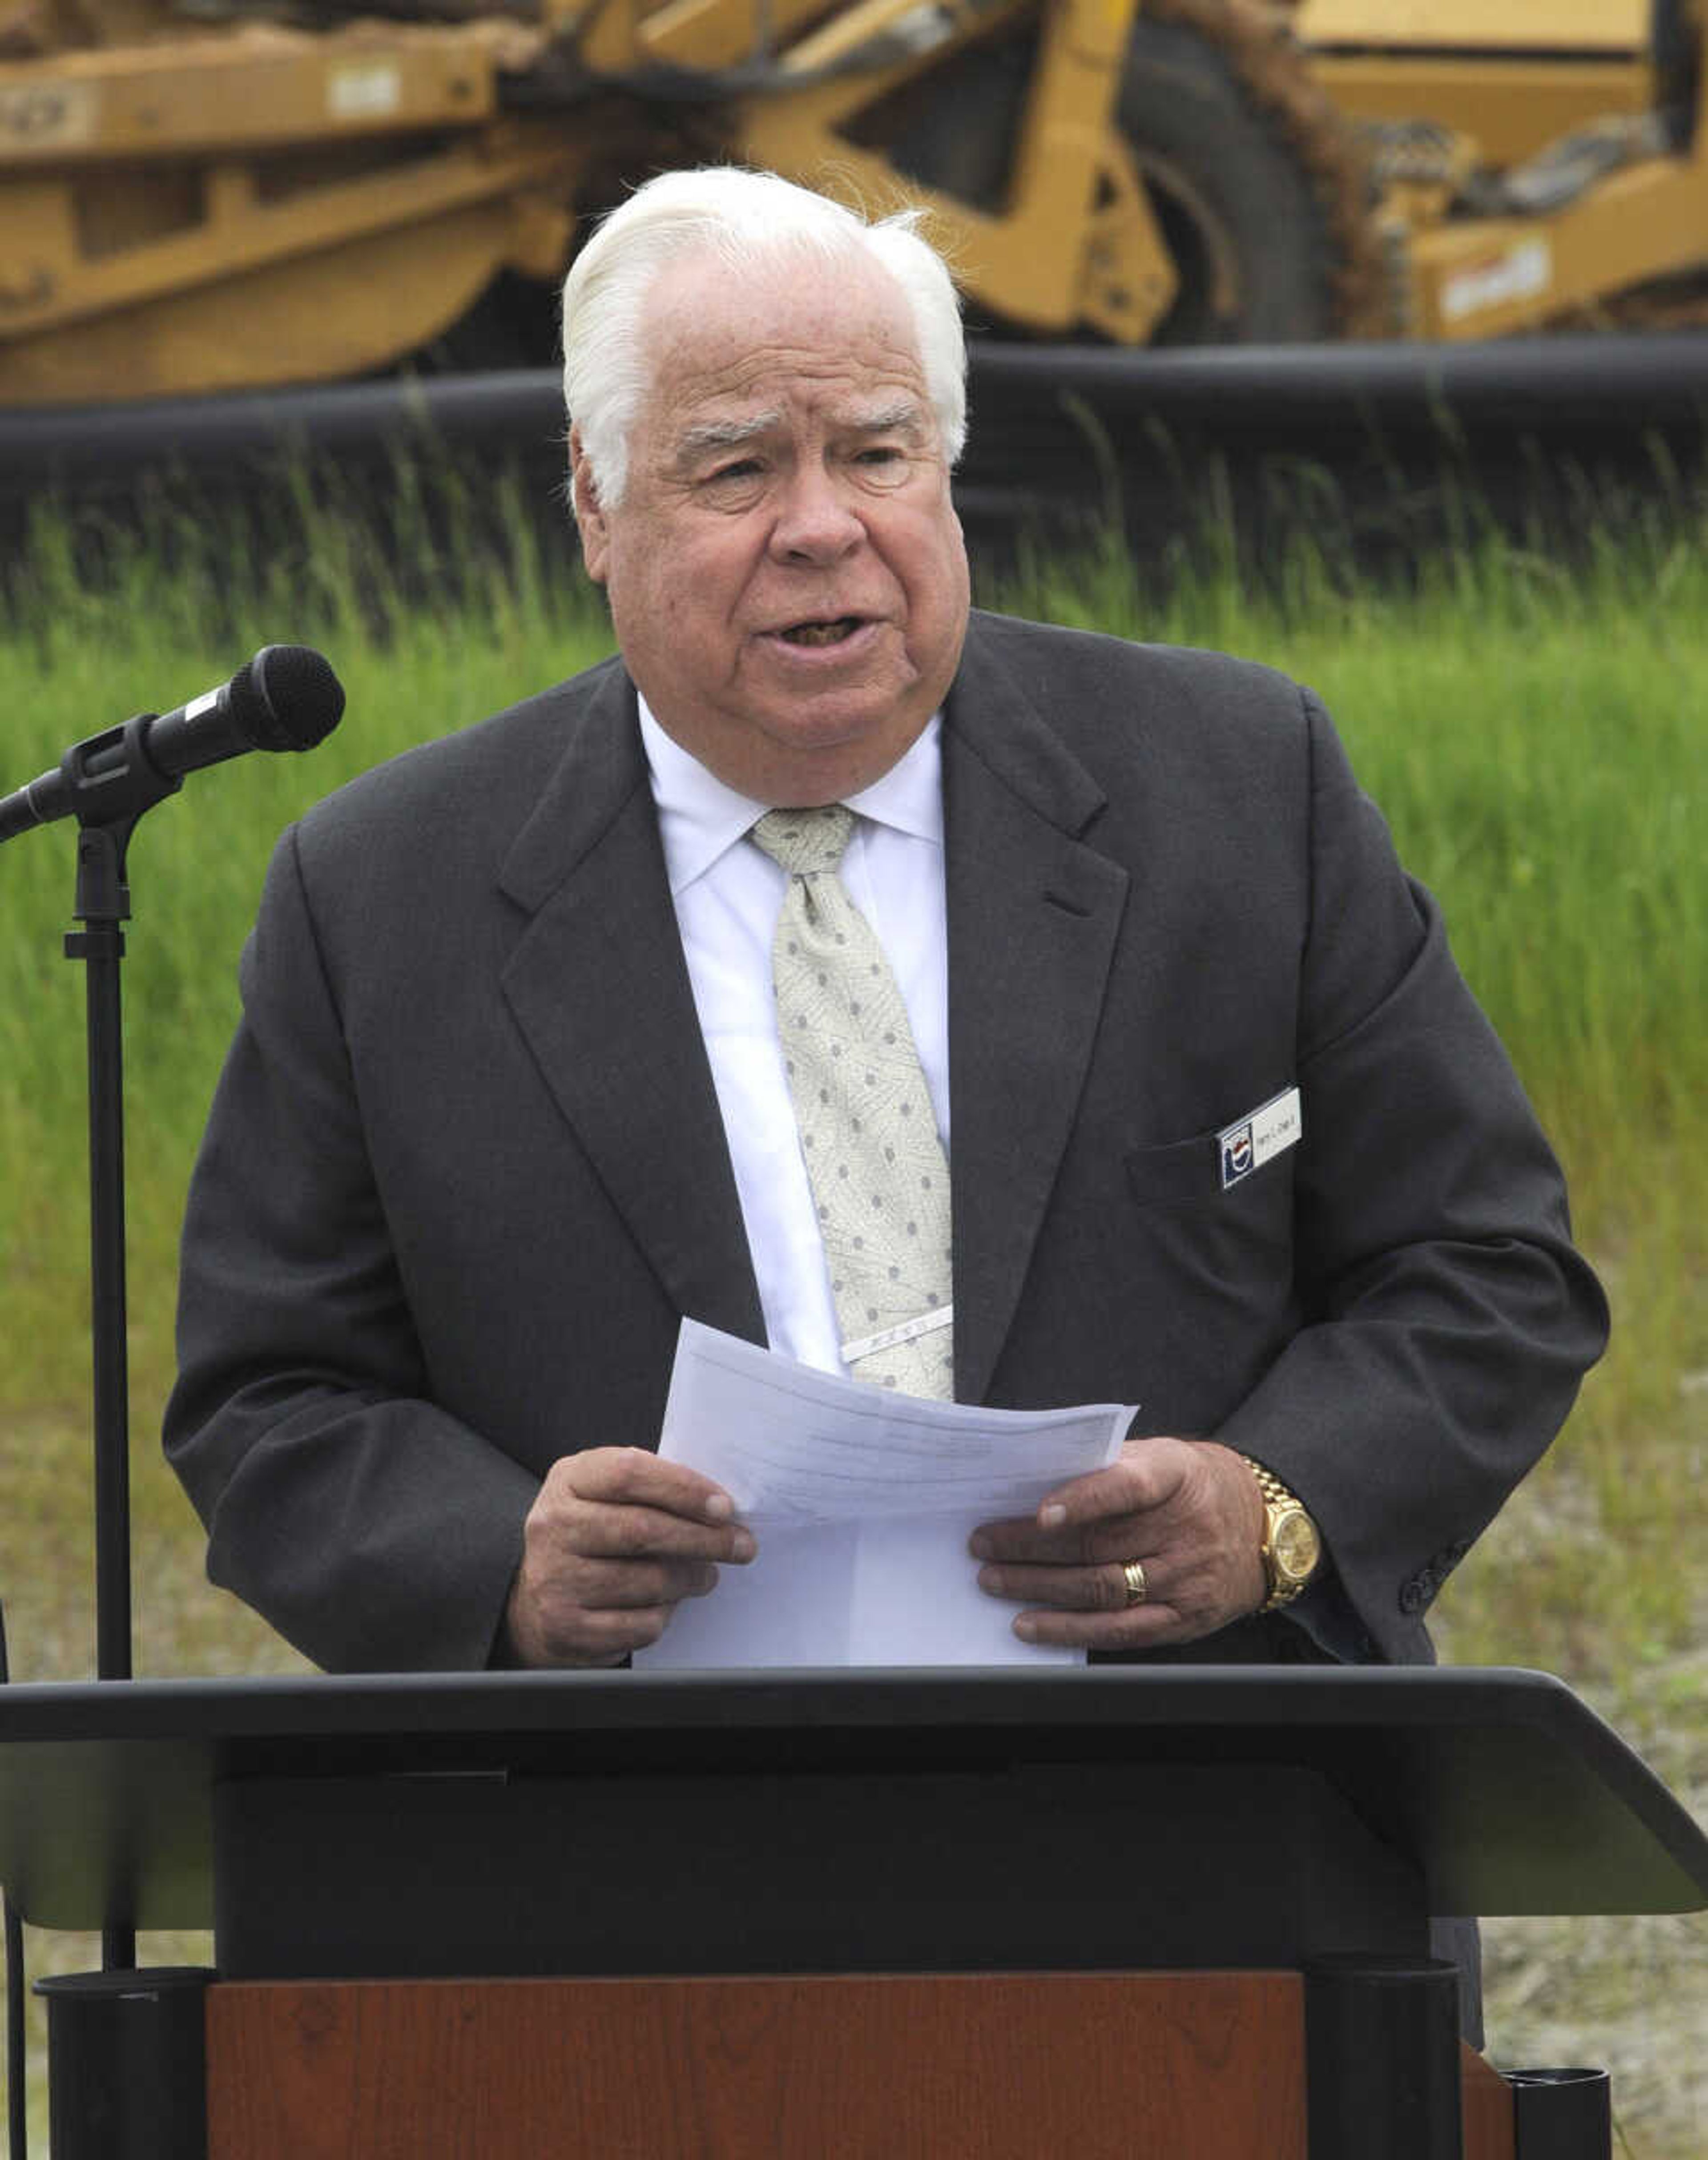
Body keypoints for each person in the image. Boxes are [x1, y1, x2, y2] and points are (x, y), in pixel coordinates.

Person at [165, 166, 1607, 1693]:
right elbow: (270, 1401)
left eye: (877, 453)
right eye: (734, 472)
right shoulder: (384, 892)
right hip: (629, 1822)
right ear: (596, 503)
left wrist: (1270, 1511)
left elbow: (1490, 1270)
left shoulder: (1240, 788)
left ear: (949, 467)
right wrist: (501, 1562)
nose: (822, 528)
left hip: (1196, 1789)